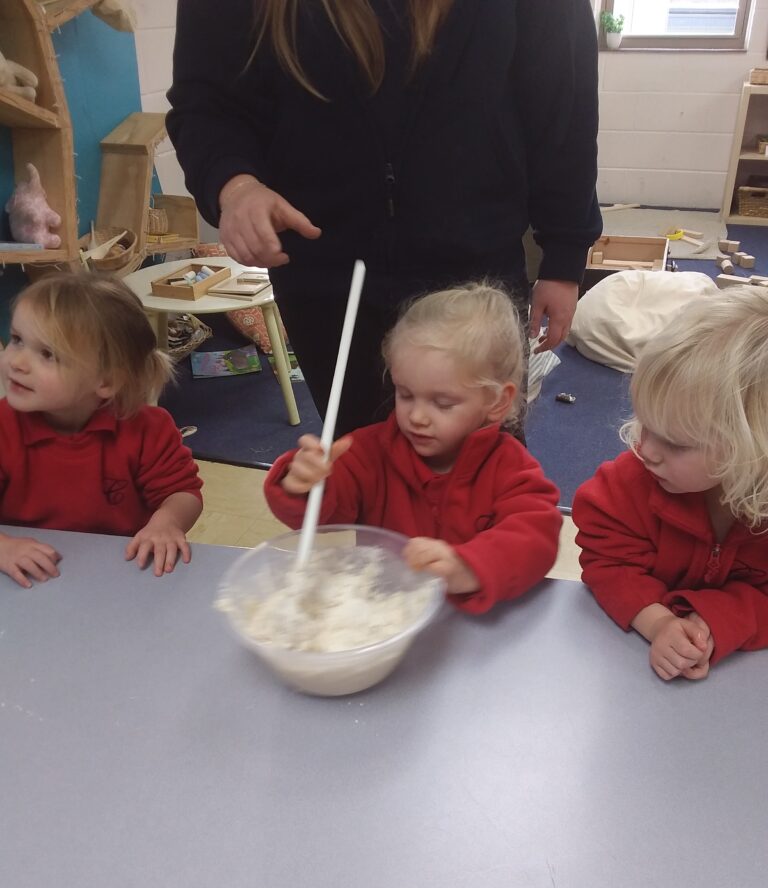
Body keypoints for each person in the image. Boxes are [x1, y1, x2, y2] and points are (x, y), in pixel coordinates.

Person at [166, 0, 602, 435]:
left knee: (484, 462)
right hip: (327, 276)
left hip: (475, 273)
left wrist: (564, 253)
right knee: (360, 464)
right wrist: (236, 185)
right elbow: (207, 100)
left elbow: (565, 95)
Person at [264, 283, 562, 613]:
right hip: (380, 611)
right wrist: (303, 484)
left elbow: (538, 537)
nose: (417, 416)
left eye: (442, 403)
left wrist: (468, 567)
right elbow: (319, 516)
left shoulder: (509, 466)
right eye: (405, 394)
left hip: (471, 624)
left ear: (496, 401)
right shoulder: (366, 451)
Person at [572, 289, 768, 682]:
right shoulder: (624, 488)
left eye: (675, 443)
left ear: (754, 448)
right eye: (645, 423)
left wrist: (717, 620)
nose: (645, 449)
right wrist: (658, 622)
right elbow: (607, 563)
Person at [0, 273, 204, 588]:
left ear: (106, 381)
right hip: (26, 580)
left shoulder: (148, 428)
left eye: (47, 354)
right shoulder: (4, 426)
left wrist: (167, 522)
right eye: (16, 340)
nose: (17, 362)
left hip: (122, 574)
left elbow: (183, 493)